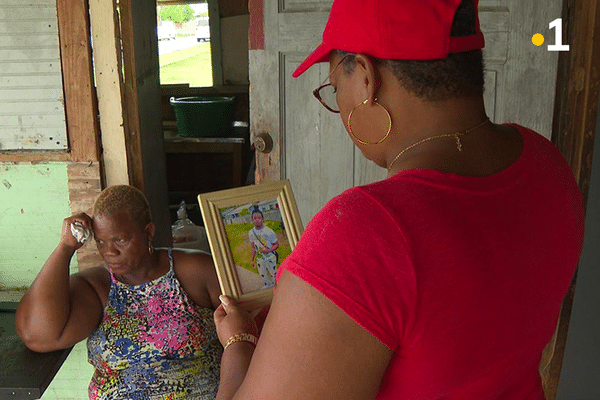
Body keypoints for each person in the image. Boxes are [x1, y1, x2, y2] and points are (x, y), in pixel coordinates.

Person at [212, 0, 585, 399]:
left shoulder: (364, 233)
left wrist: (239, 345)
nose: (338, 104)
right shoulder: (547, 162)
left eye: (334, 87)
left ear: (367, 78)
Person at [15, 185, 223, 400]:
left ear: (148, 232)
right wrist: (65, 248)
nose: (110, 252)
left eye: (120, 240)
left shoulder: (193, 271)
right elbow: (38, 336)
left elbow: (247, 327)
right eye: (101, 242)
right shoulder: (99, 286)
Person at [248, 208, 279, 288]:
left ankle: (275, 287)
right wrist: (252, 259)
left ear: (262, 219)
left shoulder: (269, 231)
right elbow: (252, 247)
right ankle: (266, 286)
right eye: (255, 218)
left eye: (259, 218)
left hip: (270, 257)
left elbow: (276, 244)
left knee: (274, 275)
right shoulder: (251, 233)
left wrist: (268, 250)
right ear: (252, 220)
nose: (257, 220)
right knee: (263, 274)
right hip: (259, 258)